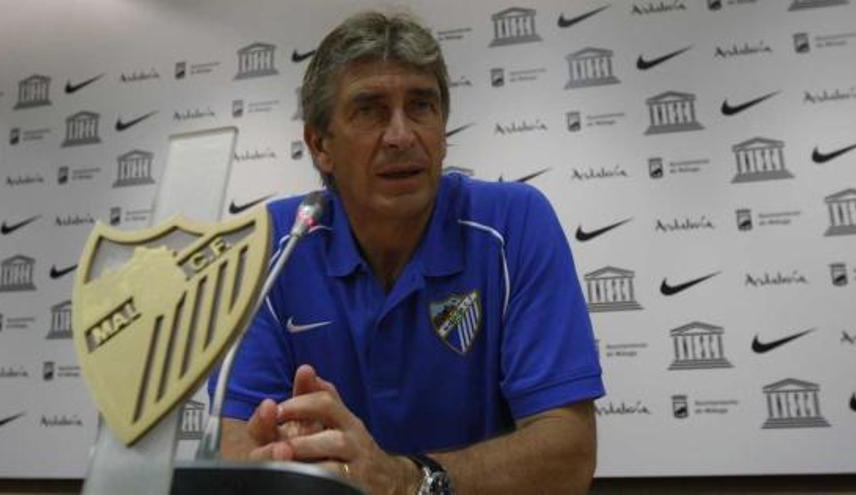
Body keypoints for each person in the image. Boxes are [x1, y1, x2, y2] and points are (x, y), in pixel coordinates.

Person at [209, 10, 605, 495]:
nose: (400, 135)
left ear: (442, 131)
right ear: (319, 144)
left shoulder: (514, 224)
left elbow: (567, 455)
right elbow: (235, 449)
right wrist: (286, 455)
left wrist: (405, 481)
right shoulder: (271, 245)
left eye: (421, 106)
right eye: (370, 110)